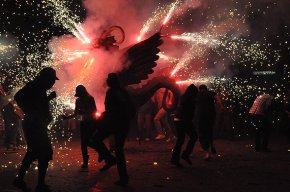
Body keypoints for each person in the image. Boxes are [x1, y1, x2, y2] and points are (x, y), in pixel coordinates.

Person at [13, 67, 59, 192]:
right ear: (46, 78)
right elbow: (18, 96)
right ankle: (40, 185)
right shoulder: (35, 86)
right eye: (52, 80)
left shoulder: (39, 87)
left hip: (35, 124)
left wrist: (47, 99)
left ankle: (20, 180)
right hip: (35, 125)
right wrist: (30, 112)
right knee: (45, 153)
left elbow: (37, 102)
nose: (53, 83)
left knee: (33, 152)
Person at [91, 73, 136, 186]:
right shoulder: (124, 92)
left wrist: (101, 119)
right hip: (122, 124)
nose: (106, 81)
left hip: (115, 123)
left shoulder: (112, 92)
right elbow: (131, 108)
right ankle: (123, 177)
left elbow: (112, 110)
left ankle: (110, 159)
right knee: (119, 150)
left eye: (108, 79)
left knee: (96, 139)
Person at [62, 85, 98, 171]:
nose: (79, 96)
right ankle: (85, 161)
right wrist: (67, 118)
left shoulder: (90, 99)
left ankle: (101, 152)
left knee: (88, 141)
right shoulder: (78, 101)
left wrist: (85, 112)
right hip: (83, 123)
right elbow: (75, 113)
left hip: (90, 122)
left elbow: (95, 111)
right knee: (83, 143)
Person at [170, 84, 198, 167]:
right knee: (193, 137)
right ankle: (185, 154)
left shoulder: (183, 97)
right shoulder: (191, 99)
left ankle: (175, 159)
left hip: (178, 120)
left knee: (180, 140)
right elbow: (188, 111)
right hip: (184, 120)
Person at [195, 84, 224, 160]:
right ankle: (211, 144)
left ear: (200, 89)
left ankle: (207, 152)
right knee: (209, 130)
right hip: (211, 115)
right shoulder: (211, 93)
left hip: (201, 116)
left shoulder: (198, 94)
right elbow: (217, 98)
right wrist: (221, 105)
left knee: (202, 133)